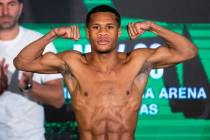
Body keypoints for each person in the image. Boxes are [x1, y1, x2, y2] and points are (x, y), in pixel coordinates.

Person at [14, 4, 198, 140]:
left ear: (118, 32)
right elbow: (22, 62)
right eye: (96, 27)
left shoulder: (137, 61)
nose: (103, 33)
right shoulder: (73, 63)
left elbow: (188, 51)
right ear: (88, 32)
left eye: (109, 27)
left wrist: (152, 26)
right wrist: (52, 34)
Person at [0, 0, 64, 139]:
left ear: (20, 7)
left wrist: (28, 87)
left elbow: (58, 99)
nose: (5, 12)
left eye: (11, 4)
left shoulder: (38, 43)